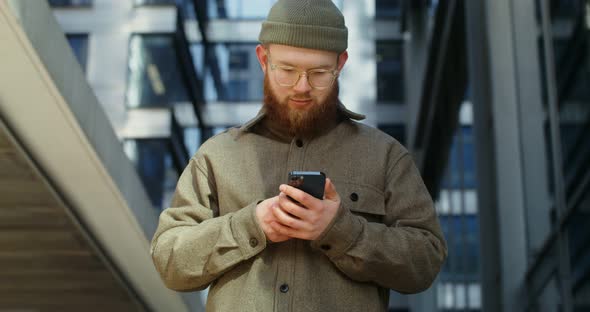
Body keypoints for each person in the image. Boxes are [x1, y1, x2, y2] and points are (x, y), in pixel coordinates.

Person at [150, 0, 447, 311]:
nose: (302, 87)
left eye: (319, 73)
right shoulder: (216, 155)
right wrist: (252, 225)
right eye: (287, 70)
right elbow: (168, 260)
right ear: (263, 60)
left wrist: (341, 230)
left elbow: (426, 261)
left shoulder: (386, 156)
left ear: (340, 64)